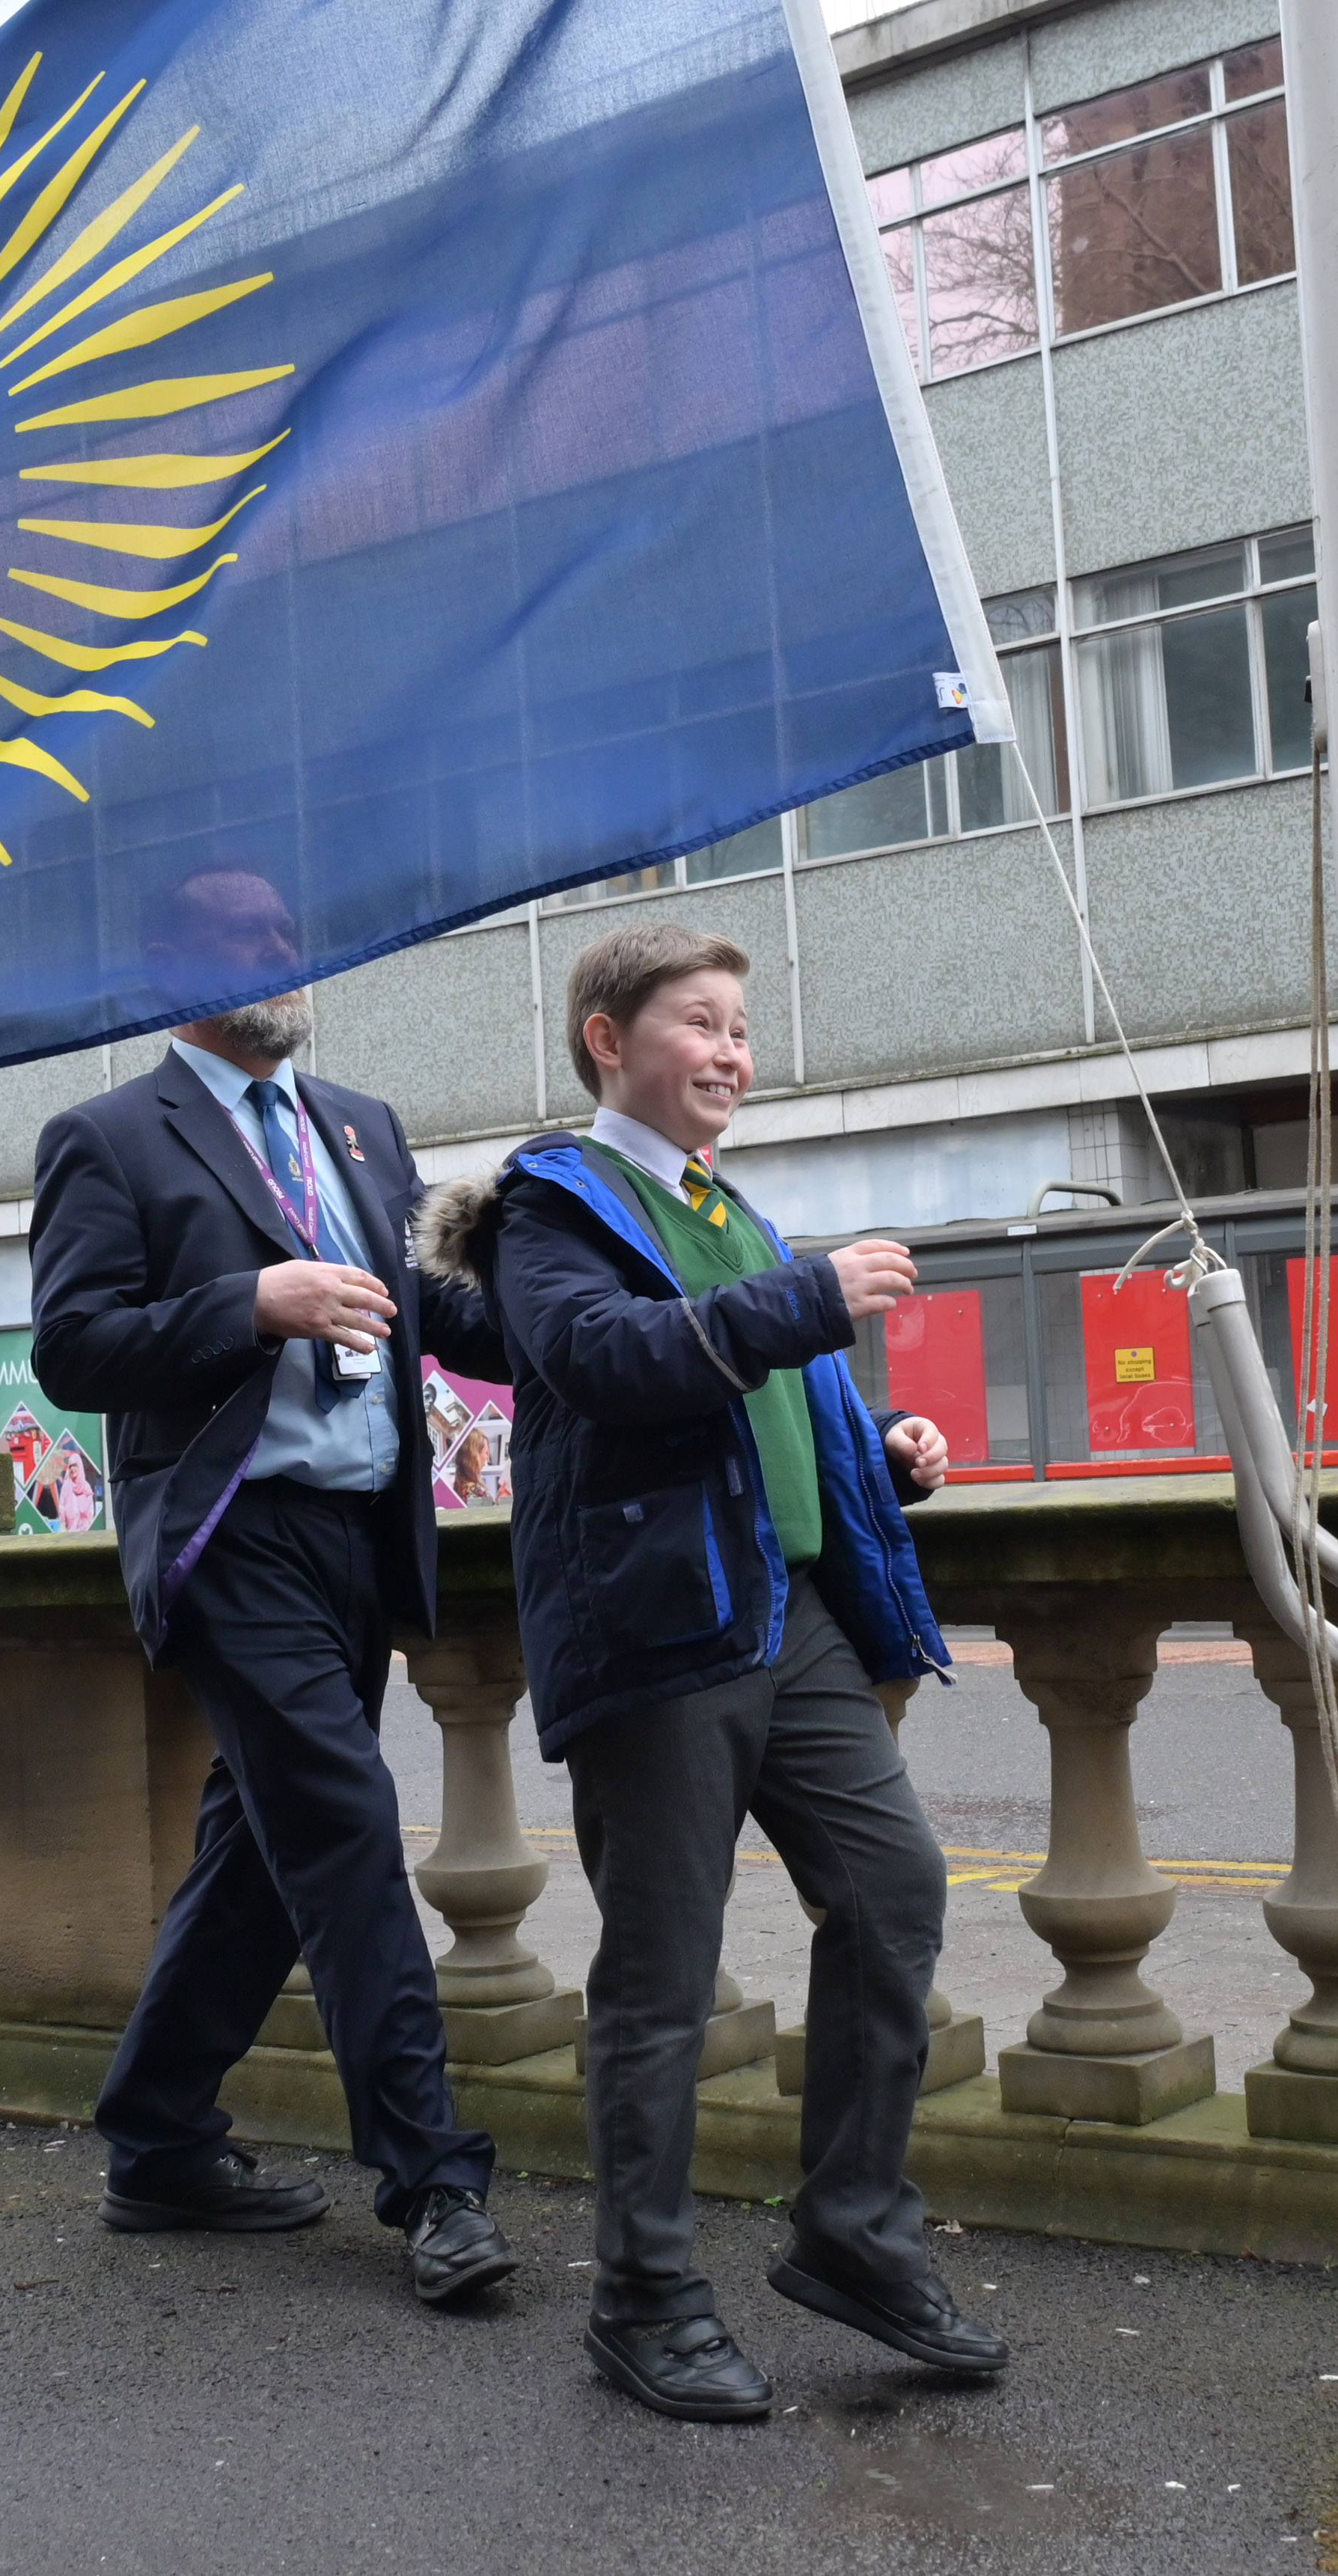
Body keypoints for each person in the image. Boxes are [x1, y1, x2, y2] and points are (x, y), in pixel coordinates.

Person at [417, 919, 1006, 2420]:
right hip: (655, 1617)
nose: (733, 1049)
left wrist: (877, 1458)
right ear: (609, 1039)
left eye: (741, 1023)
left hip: (788, 1610)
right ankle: (643, 2295)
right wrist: (803, 1297)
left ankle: (852, 2231)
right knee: (663, 1974)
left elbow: (764, 1421)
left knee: (890, 1889)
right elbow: (602, 1358)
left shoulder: (723, 1208)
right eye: (700, 1020)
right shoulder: (554, 1201)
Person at [28, 866, 520, 2305]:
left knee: (262, 1847)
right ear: (176, 966)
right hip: (229, 1533)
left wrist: (618, 1329)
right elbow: (72, 1347)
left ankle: (159, 2137)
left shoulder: (358, 1124)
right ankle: (433, 2181)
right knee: (349, 1823)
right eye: (251, 937)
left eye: (295, 932)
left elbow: (438, 1312)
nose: (288, 955)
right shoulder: (110, 1135)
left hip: (362, 1531)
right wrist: (253, 1303)